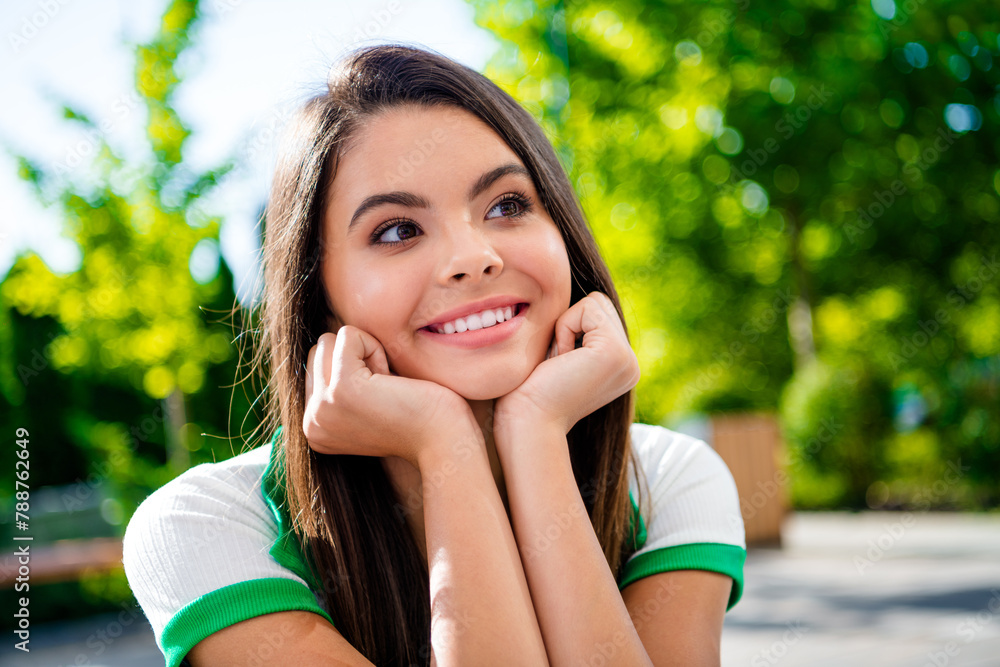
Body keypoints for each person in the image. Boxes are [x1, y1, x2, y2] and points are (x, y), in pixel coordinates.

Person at [123, 43, 746, 667]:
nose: (473, 256)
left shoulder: (669, 482)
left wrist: (534, 435)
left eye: (507, 205)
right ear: (322, 297)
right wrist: (445, 446)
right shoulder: (207, 527)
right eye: (397, 229)